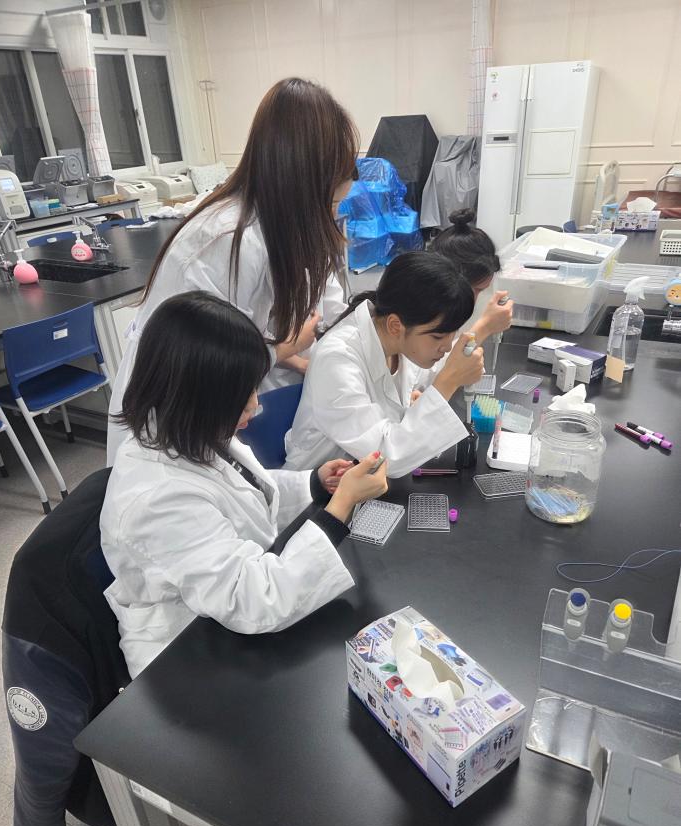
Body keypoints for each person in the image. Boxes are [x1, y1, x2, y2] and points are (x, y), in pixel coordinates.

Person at [101, 292, 387, 679]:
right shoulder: (157, 499)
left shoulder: (185, 431)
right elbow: (256, 600)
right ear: (195, 396)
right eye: (241, 396)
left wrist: (316, 484)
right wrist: (338, 511)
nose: (256, 405)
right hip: (185, 653)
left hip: (226, 616)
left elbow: (245, 494)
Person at [106, 76, 359, 464]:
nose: (332, 213)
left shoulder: (288, 227)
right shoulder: (226, 242)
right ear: (302, 179)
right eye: (330, 200)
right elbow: (209, 359)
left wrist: (312, 352)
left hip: (238, 395)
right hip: (180, 410)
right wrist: (287, 348)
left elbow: (322, 310)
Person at [284, 251, 511, 478]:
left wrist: (471, 344)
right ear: (395, 325)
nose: (446, 346)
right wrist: (448, 382)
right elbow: (385, 457)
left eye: (452, 335)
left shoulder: (396, 338)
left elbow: (432, 370)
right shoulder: (337, 358)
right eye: (438, 337)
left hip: (365, 481)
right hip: (321, 487)